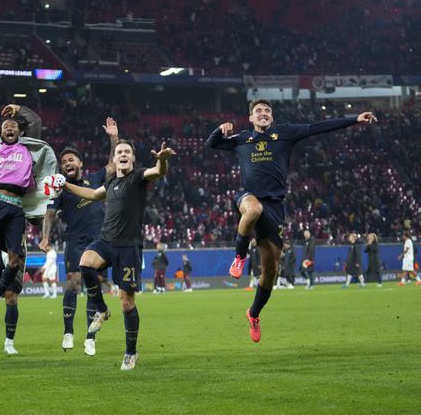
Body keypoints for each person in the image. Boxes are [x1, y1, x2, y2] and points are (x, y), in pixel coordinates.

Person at [207, 99, 377, 343]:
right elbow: (211, 144)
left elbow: (318, 126)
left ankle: (253, 313)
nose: (263, 113)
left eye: (267, 110)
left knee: (271, 271)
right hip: (248, 197)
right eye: (258, 111)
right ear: (251, 118)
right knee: (253, 210)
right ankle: (240, 256)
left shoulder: (285, 133)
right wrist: (219, 129)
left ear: (271, 116)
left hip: (275, 207)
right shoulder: (242, 139)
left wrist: (354, 119)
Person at [50, 139, 176, 370]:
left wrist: (162, 161)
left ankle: (131, 352)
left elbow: (157, 171)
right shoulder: (109, 181)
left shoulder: (138, 176)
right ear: (115, 158)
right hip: (106, 240)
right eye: (120, 152)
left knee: (127, 303)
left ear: (133, 158)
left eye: (128, 151)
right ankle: (101, 308)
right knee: (85, 263)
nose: (124, 154)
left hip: (128, 247)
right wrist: (65, 186)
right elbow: (92, 194)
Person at [0, 74, 56, 332]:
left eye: (14, 126)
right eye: (5, 126)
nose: (9, 127)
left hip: (16, 206)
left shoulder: (29, 147)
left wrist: (18, 109)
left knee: (15, 260)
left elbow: (35, 121)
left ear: (20, 131)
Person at [38, 118, 118, 355]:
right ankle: (68, 332)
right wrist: (45, 238)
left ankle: (90, 336)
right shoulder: (59, 189)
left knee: (94, 286)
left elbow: (113, 165)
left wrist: (113, 137)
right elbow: (49, 214)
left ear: (80, 163)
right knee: (73, 283)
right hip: (75, 241)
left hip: (99, 241)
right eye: (63, 162)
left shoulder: (93, 179)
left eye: (70, 160)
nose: (66, 164)